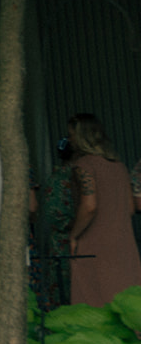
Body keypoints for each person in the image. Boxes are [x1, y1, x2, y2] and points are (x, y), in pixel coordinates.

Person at [64, 113, 141, 307]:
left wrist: (74, 235)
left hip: (93, 243)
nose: (69, 140)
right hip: (123, 243)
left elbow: (89, 206)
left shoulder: (83, 166)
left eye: (71, 135)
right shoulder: (119, 166)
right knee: (124, 297)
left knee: (92, 298)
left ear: (82, 137)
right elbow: (130, 208)